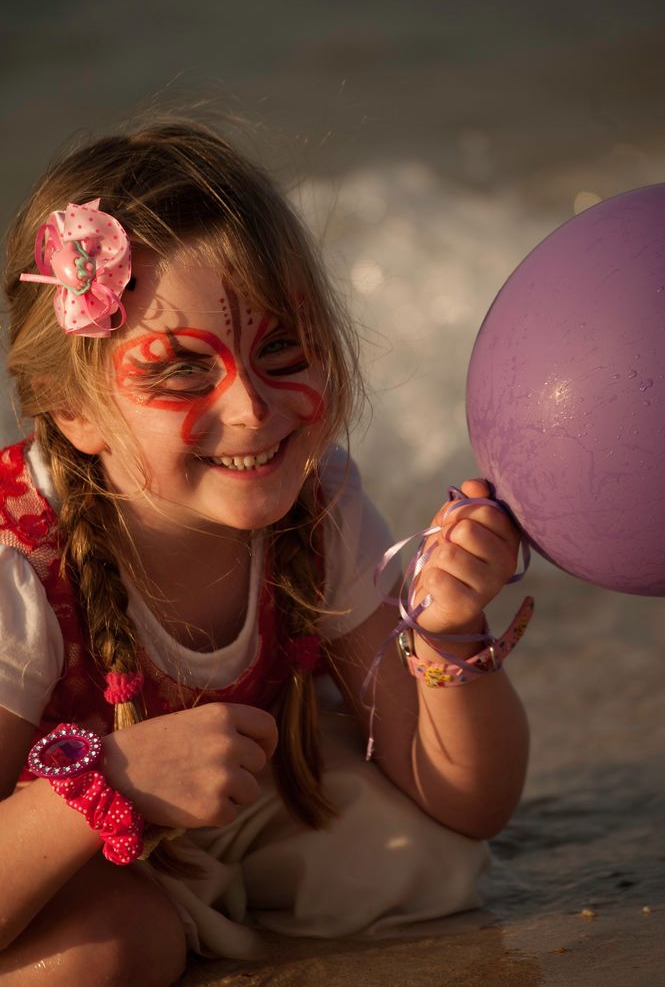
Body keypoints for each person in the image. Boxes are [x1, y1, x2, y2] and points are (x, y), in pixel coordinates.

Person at [0, 121, 531, 986]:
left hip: (220, 823)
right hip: (37, 860)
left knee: (415, 857)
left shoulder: (316, 505)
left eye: (280, 348)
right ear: (73, 410)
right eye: (178, 369)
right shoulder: (19, 565)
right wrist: (113, 782)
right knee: (112, 948)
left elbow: (467, 804)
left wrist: (449, 632)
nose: (251, 407)